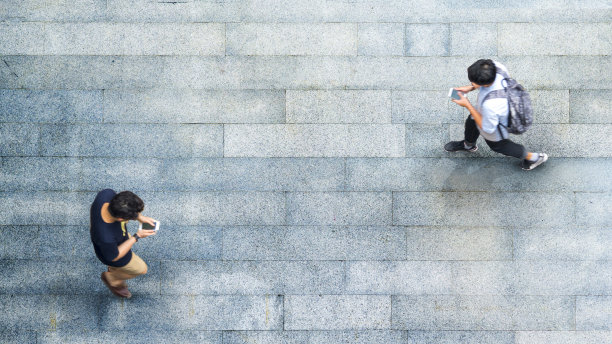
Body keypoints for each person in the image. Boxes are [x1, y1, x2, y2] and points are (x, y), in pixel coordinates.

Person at [444, 59, 548, 170]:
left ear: (484, 83)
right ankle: (468, 145)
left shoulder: (491, 105)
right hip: (487, 111)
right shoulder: (497, 67)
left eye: (473, 82)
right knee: (471, 122)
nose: (471, 83)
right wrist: (471, 87)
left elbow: (487, 128)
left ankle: (534, 157)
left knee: (499, 146)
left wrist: (468, 105)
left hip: (495, 127)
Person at [90, 189, 156, 298]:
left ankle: (113, 270)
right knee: (142, 269)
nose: (134, 217)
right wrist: (137, 236)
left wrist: (140, 217)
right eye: (131, 217)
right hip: (113, 254)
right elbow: (114, 256)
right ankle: (112, 278)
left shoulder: (106, 194)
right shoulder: (106, 237)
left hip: (115, 241)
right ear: (120, 218)